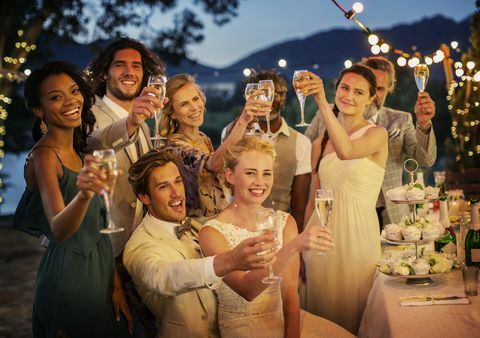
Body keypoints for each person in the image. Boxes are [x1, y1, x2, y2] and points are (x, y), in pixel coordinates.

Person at [13, 62, 131, 337]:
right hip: (70, 278)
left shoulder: (79, 151)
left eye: (74, 91)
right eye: (56, 97)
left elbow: (98, 231)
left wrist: (114, 283)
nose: (70, 101)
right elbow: (59, 230)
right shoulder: (44, 157)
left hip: (101, 271)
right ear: (39, 110)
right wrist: (85, 193)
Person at [123, 147, 281, 338]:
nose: (176, 193)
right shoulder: (138, 246)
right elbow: (164, 277)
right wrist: (228, 261)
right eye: (163, 187)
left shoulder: (200, 226)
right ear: (144, 197)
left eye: (178, 182)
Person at [200, 137, 342, 338]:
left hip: (286, 321)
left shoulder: (285, 222)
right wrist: (293, 247)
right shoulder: (212, 233)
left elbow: (290, 292)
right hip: (242, 329)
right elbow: (246, 289)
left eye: (267, 173)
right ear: (230, 176)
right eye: (250, 173)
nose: (260, 182)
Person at [86, 38, 166, 336]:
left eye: (136, 66)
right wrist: (131, 121)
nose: (129, 71)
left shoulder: (145, 124)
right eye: (120, 64)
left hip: (137, 249)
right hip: (102, 252)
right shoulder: (87, 113)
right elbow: (94, 143)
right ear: (105, 72)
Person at [302, 65, 388, 334]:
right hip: (321, 237)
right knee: (322, 317)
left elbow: (347, 151)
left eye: (358, 91)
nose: (349, 95)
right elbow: (312, 199)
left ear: (370, 98)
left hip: (359, 236)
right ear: (337, 89)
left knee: (358, 311)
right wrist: (302, 247)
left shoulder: (377, 135)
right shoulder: (318, 144)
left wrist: (321, 102)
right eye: (344, 88)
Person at [305, 56, 436, 226]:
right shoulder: (325, 117)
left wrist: (424, 124)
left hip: (389, 215)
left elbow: (425, 160)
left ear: (388, 89)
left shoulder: (400, 120)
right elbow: (305, 155)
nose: (375, 95)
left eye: (380, 88)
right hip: (334, 215)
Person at [160, 73, 271, 219]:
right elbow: (215, 164)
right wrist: (242, 121)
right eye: (184, 104)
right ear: (172, 113)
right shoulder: (174, 146)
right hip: (197, 228)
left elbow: (217, 177)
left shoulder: (203, 138)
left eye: (195, 99)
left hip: (219, 220)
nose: (194, 107)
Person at [221, 70, 312, 229]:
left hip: (278, 228)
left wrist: (291, 243)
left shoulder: (302, 143)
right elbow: (226, 185)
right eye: (262, 95)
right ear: (249, 97)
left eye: (276, 94)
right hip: (237, 225)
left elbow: (299, 206)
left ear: (284, 98)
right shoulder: (232, 132)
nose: (269, 101)